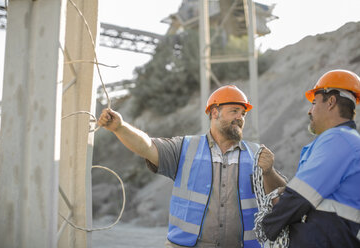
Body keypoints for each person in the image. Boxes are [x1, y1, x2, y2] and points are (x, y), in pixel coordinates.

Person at [98, 85, 286, 248]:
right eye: (234, 111)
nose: (240, 117)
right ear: (214, 112)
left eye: (243, 113)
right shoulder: (185, 148)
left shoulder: (256, 153)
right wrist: (120, 128)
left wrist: (268, 172)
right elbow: (147, 146)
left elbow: (281, 197)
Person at [262, 69, 360, 247]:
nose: (309, 111)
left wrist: (267, 225)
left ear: (331, 102)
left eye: (314, 103)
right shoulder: (342, 142)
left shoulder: (339, 139)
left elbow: (300, 196)